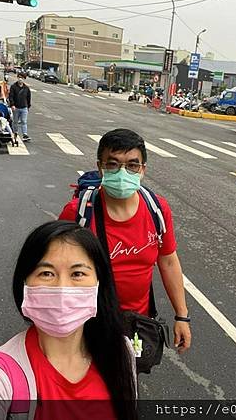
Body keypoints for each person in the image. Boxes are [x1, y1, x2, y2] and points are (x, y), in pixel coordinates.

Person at [0, 221, 137, 420]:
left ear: (99, 284)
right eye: (46, 273)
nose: (61, 288)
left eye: (78, 274)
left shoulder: (120, 352)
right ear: (24, 284)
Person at [59, 129, 192, 354]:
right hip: (87, 323)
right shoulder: (78, 214)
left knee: (130, 378)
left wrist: (182, 316)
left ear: (142, 171)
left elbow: (168, 261)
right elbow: (55, 268)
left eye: (132, 165)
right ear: (100, 167)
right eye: (113, 164)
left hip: (137, 323)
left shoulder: (157, 209)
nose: (122, 172)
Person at [9, 72, 32, 142]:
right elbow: (11, 97)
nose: (20, 79)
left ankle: (25, 134)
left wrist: (28, 106)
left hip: (24, 107)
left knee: (24, 121)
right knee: (15, 121)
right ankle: (15, 132)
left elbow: (28, 98)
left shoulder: (26, 88)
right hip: (16, 107)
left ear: (24, 79)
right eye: (19, 77)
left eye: (22, 78)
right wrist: (12, 105)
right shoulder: (13, 87)